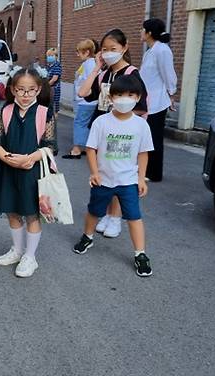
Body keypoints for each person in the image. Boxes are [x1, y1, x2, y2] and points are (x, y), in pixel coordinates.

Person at [72, 75, 154, 277]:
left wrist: (141, 178)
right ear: (110, 97)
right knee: (94, 211)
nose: (124, 99)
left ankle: (140, 254)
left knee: (134, 217)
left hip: (128, 181)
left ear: (138, 97)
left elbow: (143, 153)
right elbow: (91, 149)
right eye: (119, 94)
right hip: (103, 180)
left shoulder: (141, 125)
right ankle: (87, 236)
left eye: (130, 94)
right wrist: (94, 172)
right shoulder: (102, 122)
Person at [0, 68, 57, 278]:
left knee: (32, 214)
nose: (26, 95)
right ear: (13, 90)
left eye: (31, 90)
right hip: (8, 169)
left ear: (38, 89)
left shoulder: (45, 112)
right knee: (12, 211)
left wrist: (29, 159)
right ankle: (16, 250)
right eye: (20, 90)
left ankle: (30, 256)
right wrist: (9, 159)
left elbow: (50, 145)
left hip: (34, 172)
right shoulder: (5, 111)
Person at [77, 28, 149, 238]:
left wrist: (118, 113)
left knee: (119, 173)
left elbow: (142, 106)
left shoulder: (132, 74)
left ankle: (115, 218)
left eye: (113, 49)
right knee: (105, 171)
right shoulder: (105, 73)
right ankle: (108, 214)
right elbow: (83, 93)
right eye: (105, 49)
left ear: (124, 48)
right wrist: (97, 68)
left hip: (124, 132)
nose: (108, 52)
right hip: (103, 129)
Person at [140, 18, 177, 182]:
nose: (140, 32)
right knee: (147, 137)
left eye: (143, 30)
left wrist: (171, 94)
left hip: (157, 101)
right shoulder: (151, 51)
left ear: (149, 33)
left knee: (154, 138)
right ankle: (146, 169)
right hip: (148, 101)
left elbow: (168, 74)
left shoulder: (162, 50)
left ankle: (154, 173)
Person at [63, 39, 98, 159]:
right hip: (85, 100)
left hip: (87, 101)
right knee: (84, 123)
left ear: (87, 52)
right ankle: (83, 147)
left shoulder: (91, 64)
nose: (77, 55)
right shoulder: (87, 63)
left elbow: (92, 82)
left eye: (79, 52)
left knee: (80, 123)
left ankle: (77, 149)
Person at [46, 48, 62, 114]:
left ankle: (54, 122)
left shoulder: (57, 66)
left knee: (54, 107)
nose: (49, 57)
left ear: (56, 56)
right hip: (49, 89)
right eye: (48, 56)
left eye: (51, 55)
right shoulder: (49, 66)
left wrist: (46, 86)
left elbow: (54, 79)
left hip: (54, 89)